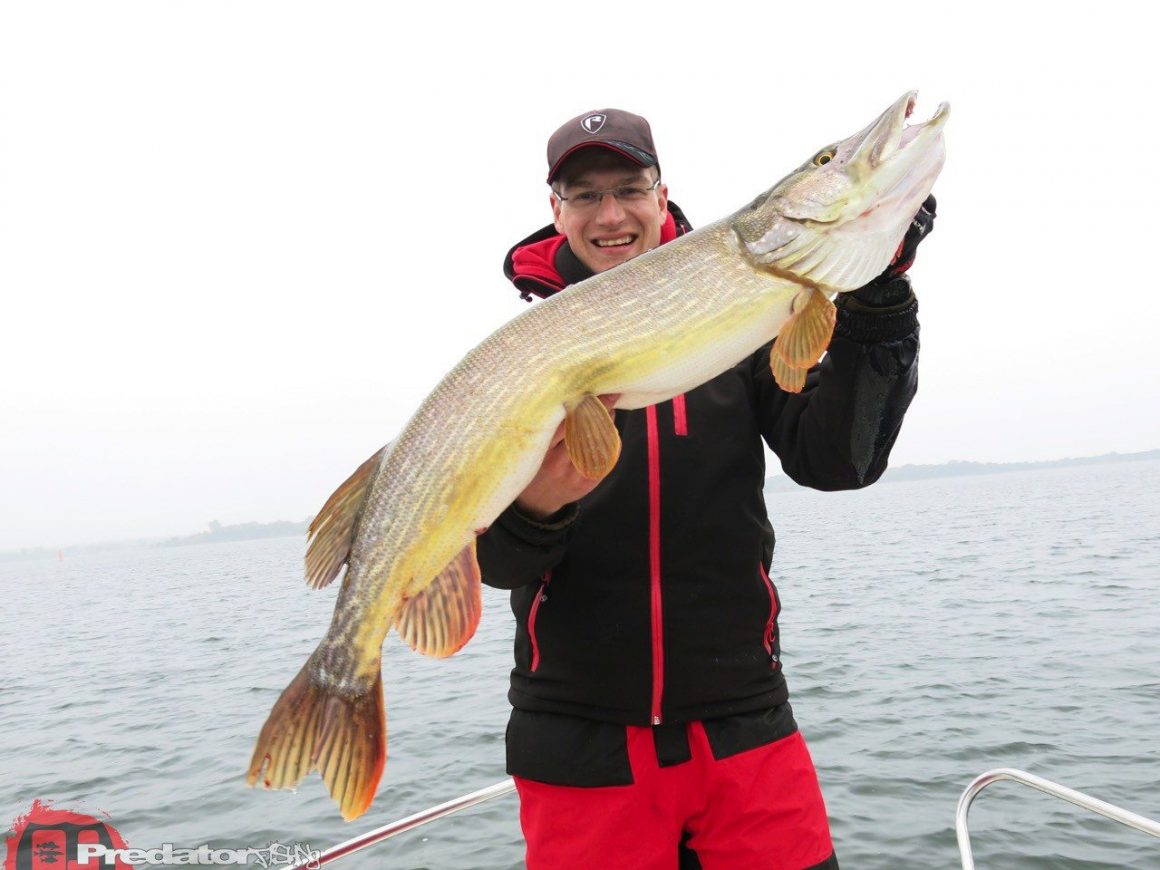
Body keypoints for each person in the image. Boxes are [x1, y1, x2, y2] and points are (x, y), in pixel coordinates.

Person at [478, 108, 935, 870]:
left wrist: (878, 296)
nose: (612, 214)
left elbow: (841, 461)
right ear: (555, 212)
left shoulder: (747, 321)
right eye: (585, 195)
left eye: (630, 187)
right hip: (581, 743)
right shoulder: (525, 358)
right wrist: (540, 504)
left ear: (663, 196)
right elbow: (496, 565)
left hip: (745, 724)